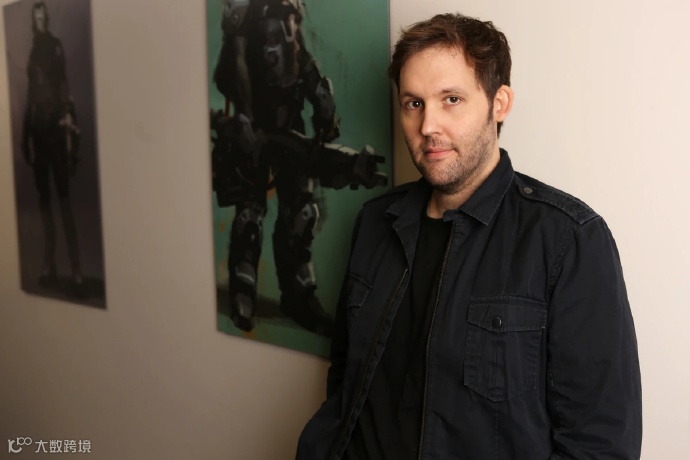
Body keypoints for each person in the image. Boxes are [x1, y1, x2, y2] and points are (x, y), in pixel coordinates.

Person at [296, 13, 642, 459]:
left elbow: (600, 444)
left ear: (500, 103)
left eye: (452, 99)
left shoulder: (568, 241)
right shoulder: (375, 222)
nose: (427, 126)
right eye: (413, 103)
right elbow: (346, 381)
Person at [211, 0, 386, 336]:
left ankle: (299, 295)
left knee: (301, 213)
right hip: (252, 131)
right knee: (249, 215)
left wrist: (324, 110)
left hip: (289, 128)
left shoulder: (290, 31)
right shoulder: (244, 30)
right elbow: (229, 75)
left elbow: (308, 74)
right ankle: (243, 290)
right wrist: (243, 123)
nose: (279, 38)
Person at [22, 1, 83, 293]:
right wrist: (24, 135)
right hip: (38, 132)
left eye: (44, 17)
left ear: (47, 18)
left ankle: (76, 268)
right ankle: (49, 264)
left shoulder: (55, 47)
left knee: (64, 200)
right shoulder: (33, 50)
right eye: (37, 18)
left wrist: (69, 118)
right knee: (44, 202)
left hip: (56, 133)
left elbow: (64, 86)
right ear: (33, 21)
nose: (41, 22)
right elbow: (30, 95)